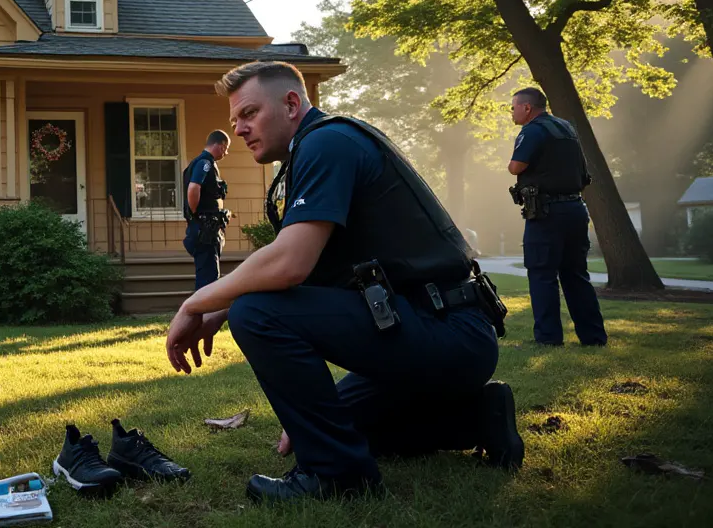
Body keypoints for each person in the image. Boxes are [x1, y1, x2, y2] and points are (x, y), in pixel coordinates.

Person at [164, 61, 523, 505]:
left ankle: (337, 476)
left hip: (447, 329)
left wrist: (195, 304)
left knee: (256, 313)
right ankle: (478, 417)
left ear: (292, 103)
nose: (238, 128)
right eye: (235, 119)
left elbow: (290, 263)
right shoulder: (319, 146)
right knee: (337, 423)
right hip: (440, 330)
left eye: (250, 113)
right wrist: (217, 311)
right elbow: (306, 266)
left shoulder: (326, 144)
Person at [508, 88, 608, 347]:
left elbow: (515, 167)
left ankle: (548, 339)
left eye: (513, 107)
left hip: (546, 212)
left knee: (542, 273)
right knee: (576, 274)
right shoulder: (566, 128)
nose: (512, 112)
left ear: (527, 108)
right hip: (575, 208)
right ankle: (594, 338)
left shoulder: (532, 130)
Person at [183, 130, 231, 290]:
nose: (226, 152)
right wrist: (196, 214)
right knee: (208, 280)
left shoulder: (201, 162)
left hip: (206, 229)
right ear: (220, 145)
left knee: (209, 275)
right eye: (226, 148)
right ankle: (205, 314)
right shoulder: (205, 163)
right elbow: (193, 188)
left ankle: (206, 313)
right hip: (205, 230)